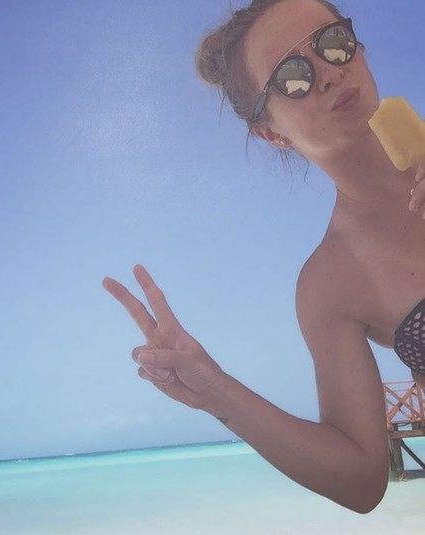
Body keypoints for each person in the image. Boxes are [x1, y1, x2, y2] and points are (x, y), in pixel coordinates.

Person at [102, 0, 425, 514]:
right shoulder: (332, 283)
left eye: (333, 43)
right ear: (272, 132)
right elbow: (362, 481)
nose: (328, 73)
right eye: (293, 76)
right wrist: (217, 392)